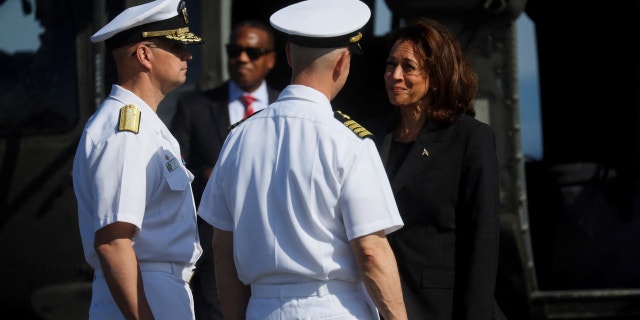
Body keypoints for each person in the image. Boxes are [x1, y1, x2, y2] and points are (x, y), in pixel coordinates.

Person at [196, 0, 408, 319]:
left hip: (261, 308)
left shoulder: (238, 138)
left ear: (289, 55)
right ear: (342, 63)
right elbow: (371, 251)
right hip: (331, 307)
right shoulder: (349, 142)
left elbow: (222, 248)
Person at [72, 0, 204, 319]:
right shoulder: (126, 128)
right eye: (176, 45)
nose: (188, 54)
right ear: (144, 55)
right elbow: (113, 241)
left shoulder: (145, 125)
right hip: (143, 292)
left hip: (156, 289)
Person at [372, 17, 507, 320]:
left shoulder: (470, 139)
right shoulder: (371, 137)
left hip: (441, 308)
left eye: (408, 67)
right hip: (379, 305)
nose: (394, 75)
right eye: (390, 64)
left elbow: (482, 243)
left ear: (436, 75)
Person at [169, 18, 280, 320]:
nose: (242, 58)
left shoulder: (286, 108)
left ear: (271, 59)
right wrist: (208, 175)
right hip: (215, 250)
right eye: (235, 50)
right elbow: (174, 173)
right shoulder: (194, 106)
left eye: (253, 52)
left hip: (276, 249)